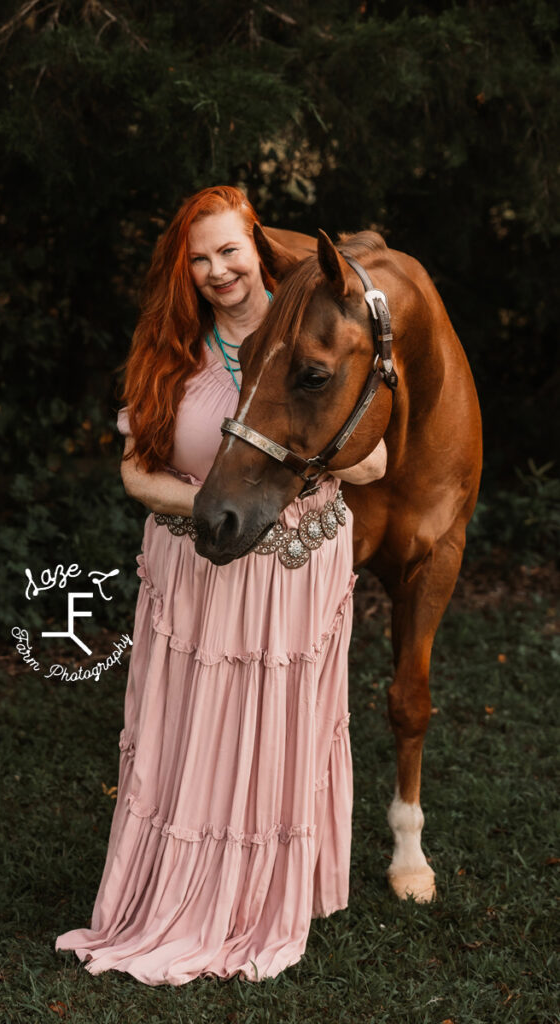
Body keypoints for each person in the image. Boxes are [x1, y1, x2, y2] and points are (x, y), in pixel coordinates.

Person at [55, 186, 387, 986]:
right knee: (193, 731)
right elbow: (136, 474)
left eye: (229, 250)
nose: (216, 271)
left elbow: (371, 461)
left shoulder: (313, 334)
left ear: (259, 248)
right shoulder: (170, 345)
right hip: (197, 567)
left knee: (280, 727)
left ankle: (267, 897)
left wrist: (276, 496)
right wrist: (211, 508)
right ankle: (179, 897)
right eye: (198, 258)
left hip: (295, 572)